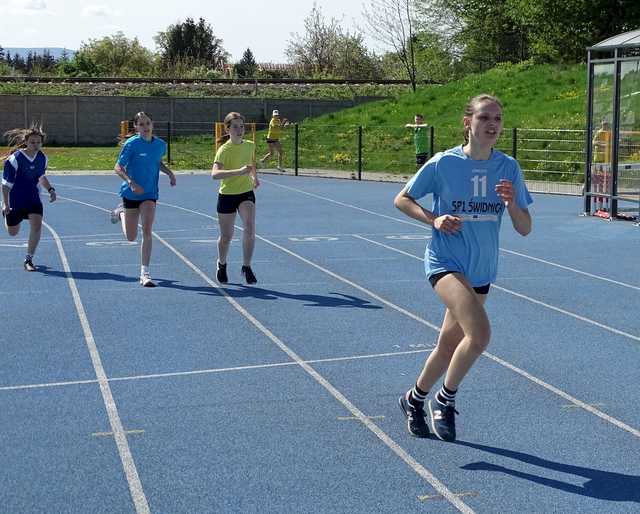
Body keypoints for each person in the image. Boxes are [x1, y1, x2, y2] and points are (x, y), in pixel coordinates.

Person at [395, 94, 533, 441]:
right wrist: (434, 218)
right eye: (485, 117)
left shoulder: (508, 168)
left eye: (498, 119)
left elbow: (524, 227)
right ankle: (445, 398)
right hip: (446, 262)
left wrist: (512, 203)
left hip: (482, 270)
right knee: (480, 335)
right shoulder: (444, 163)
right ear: (467, 122)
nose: (493, 124)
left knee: (448, 345)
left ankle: (413, 399)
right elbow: (402, 199)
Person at [110, 111, 176, 287]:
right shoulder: (132, 144)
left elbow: (157, 162)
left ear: (152, 124)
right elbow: (118, 167)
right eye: (141, 124)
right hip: (131, 193)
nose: (145, 127)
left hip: (149, 194)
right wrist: (131, 182)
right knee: (131, 237)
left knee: (147, 230)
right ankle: (122, 212)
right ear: (136, 127)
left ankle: (145, 273)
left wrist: (169, 173)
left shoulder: (160, 144)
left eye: (148, 123)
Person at [212, 111, 260, 285]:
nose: (240, 130)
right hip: (227, 195)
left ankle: (247, 266)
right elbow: (215, 174)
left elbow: (251, 162)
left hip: (245, 192)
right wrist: (238, 172)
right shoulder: (223, 150)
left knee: (249, 226)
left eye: (242, 126)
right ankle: (222, 264)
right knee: (226, 236)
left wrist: (254, 176)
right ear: (227, 129)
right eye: (235, 127)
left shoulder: (250, 145)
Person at [1, 125, 56, 271]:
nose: (36, 145)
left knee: (36, 225)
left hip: (33, 198)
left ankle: (29, 259)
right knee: (13, 232)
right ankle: (5, 215)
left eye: (38, 142)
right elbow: (5, 185)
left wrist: (50, 189)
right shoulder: (14, 159)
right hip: (15, 199)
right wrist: (6, 204)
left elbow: (41, 176)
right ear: (26, 141)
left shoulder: (42, 158)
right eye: (32, 142)